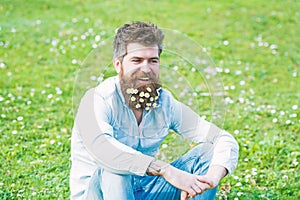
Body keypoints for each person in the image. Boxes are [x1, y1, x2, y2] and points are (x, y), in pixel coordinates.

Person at [70, 21, 239, 200]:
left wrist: (211, 178)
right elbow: (104, 150)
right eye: (137, 60)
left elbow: (223, 138)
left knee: (208, 152)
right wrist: (166, 170)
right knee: (116, 168)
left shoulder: (164, 102)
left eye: (153, 61)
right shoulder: (95, 99)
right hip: (98, 193)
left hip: (144, 190)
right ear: (118, 65)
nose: (146, 68)